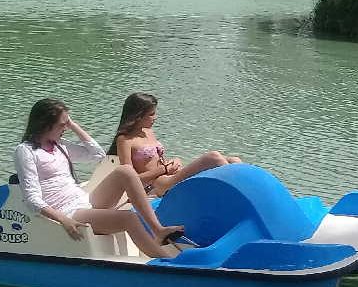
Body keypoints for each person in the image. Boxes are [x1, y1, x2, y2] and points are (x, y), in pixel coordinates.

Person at [15, 98, 183, 258]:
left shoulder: (60, 145)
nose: (65, 128)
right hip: (67, 212)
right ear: (45, 124)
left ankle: (158, 230)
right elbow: (32, 199)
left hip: (84, 200)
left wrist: (74, 126)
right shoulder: (26, 151)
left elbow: (97, 154)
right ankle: (169, 263)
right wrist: (63, 220)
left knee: (125, 171)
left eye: (67, 123)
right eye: (62, 124)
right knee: (128, 218)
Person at [109, 92, 242, 197]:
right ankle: (241, 192)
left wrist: (171, 164)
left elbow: (157, 160)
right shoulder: (125, 140)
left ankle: (245, 191)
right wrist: (164, 169)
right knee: (213, 158)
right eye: (151, 114)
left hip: (169, 177)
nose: (155, 117)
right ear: (138, 116)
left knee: (234, 160)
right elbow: (129, 178)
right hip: (154, 185)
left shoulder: (148, 132)